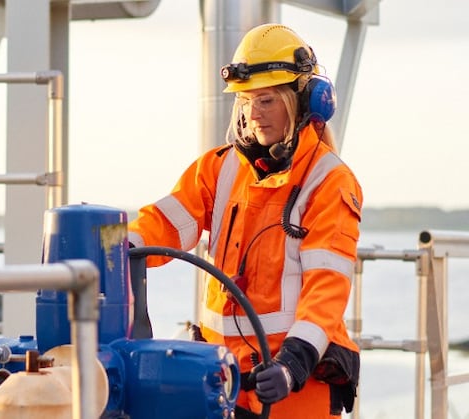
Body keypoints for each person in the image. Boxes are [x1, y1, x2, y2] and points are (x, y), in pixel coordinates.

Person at [128, 24, 362, 418]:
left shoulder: (329, 181)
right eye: (246, 101)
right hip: (222, 380)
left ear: (305, 102)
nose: (254, 114)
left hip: (291, 387)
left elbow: (327, 290)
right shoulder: (218, 168)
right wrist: (113, 250)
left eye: (267, 100)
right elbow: (162, 225)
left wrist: (293, 364)